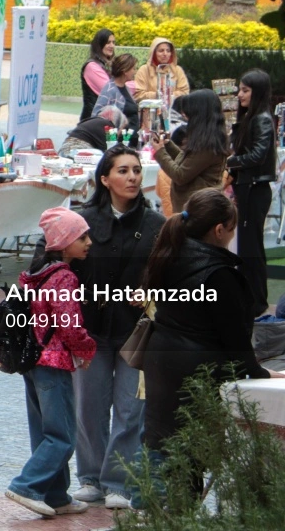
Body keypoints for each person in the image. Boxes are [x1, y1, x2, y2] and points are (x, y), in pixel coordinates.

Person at [140, 190, 283, 483]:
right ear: (219, 230)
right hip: (196, 369)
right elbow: (235, 341)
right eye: (232, 229)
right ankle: (170, 515)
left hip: (163, 360)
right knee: (187, 457)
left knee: (163, 444)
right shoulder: (219, 274)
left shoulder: (169, 254)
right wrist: (262, 373)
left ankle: (152, 508)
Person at [66, 146, 165, 509]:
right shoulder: (81, 220)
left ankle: (119, 482)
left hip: (134, 332)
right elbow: (60, 267)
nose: (133, 177)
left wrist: (150, 289)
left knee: (130, 409)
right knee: (89, 407)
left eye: (137, 170)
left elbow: (169, 271)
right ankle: (90, 477)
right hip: (90, 329)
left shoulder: (156, 225)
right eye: (123, 171)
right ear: (104, 179)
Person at [5, 208, 96, 518]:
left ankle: (56, 495)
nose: (89, 242)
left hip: (31, 361)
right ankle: (25, 486)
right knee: (62, 435)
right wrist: (87, 348)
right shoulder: (64, 278)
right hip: (54, 362)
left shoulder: (35, 274)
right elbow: (70, 325)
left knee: (44, 431)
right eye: (82, 237)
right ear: (65, 241)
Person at [226, 68, 277, 318]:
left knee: (251, 248)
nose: (239, 95)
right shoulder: (252, 118)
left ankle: (257, 302)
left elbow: (258, 155)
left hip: (255, 189)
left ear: (256, 92)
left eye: (245, 90)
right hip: (249, 187)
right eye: (239, 89)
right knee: (248, 246)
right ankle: (253, 300)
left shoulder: (262, 119)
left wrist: (231, 162)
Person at [150, 90, 228, 212]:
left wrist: (160, 152)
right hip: (195, 207)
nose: (186, 119)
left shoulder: (208, 145)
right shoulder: (205, 140)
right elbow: (186, 161)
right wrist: (167, 144)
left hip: (201, 210)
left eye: (188, 115)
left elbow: (180, 175)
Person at [132, 37, 189, 103]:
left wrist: (168, 96)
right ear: (153, 53)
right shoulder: (144, 70)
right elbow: (137, 95)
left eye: (168, 51)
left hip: (174, 110)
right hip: (150, 110)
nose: (165, 54)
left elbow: (185, 92)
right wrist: (157, 95)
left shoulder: (177, 70)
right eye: (161, 51)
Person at [59, 105, 127, 158]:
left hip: (65, 148)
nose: (120, 132)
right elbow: (110, 152)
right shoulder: (108, 127)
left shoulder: (93, 120)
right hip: (78, 151)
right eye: (121, 128)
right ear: (118, 120)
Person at [91, 54, 139, 128]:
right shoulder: (109, 91)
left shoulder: (126, 88)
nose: (135, 72)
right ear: (125, 71)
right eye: (133, 69)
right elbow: (97, 116)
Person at [80, 28, 116, 122]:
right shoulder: (92, 67)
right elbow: (110, 91)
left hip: (105, 119)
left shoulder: (110, 65)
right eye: (108, 42)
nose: (112, 46)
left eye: (113, 42)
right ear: (99, 44)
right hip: (92, 121)